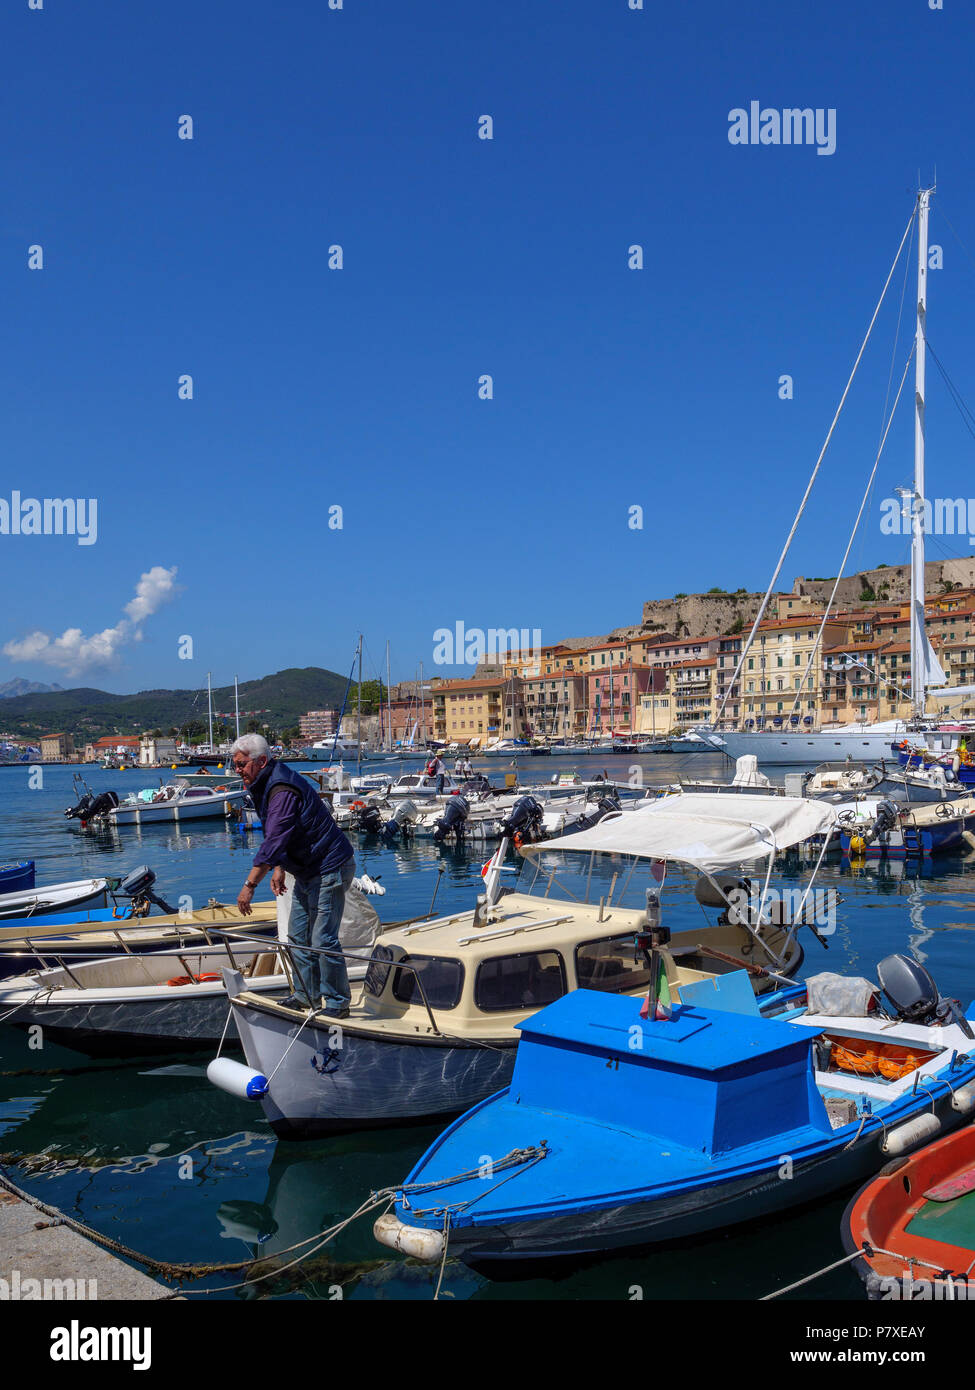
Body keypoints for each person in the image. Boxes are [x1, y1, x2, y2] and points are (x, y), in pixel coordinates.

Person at [233, 734, 355, 1016]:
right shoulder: (266, 782)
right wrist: (279, 867)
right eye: (234, 765)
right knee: (298, 936)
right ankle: (306, 997)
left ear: (261, 761)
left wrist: (250, 885)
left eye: (241, 764)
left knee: (323, 938)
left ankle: (337, 1003)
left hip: (329, 865)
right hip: (306, 869)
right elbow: (284, 833)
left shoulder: (281, 789)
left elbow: (274, 839)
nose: (237, 770)